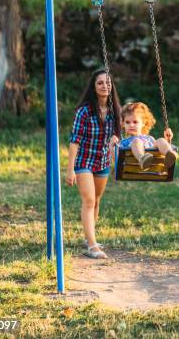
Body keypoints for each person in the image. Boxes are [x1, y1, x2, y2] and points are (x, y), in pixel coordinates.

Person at [65, 69, 122, 260]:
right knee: (89, 201)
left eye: (108, 82)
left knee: (96, 201)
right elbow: (75, 141)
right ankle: (92, 245)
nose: (105, 86)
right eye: (100, 83)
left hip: (103, 161)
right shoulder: (84, 111)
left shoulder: (115, 111)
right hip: (84, 161)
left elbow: (132, 130)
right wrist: (70, 169)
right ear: (94, 87)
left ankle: (90, 237)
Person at [118, 102, 178, 170]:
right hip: (135, 166)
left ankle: (169, 154)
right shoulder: (124, 142)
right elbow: (118, 159)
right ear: (123, 124)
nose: (131, 125)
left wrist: (168, 140)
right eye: (127, 122)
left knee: (160, 140)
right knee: (136, 141)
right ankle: (142, 159)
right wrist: (112, 145)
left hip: (155, 163)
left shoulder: (149, 138)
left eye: (135, 122)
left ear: (143, 123)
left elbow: (158, 149)